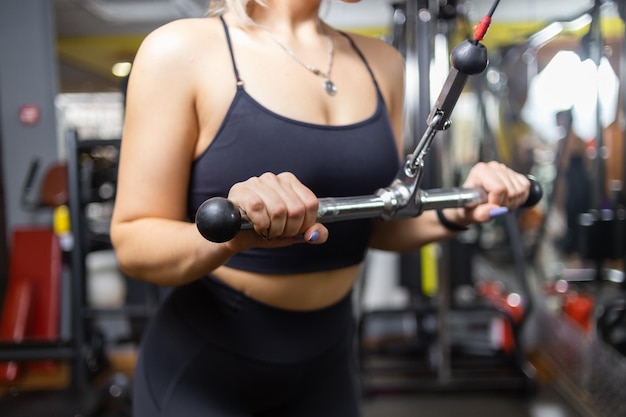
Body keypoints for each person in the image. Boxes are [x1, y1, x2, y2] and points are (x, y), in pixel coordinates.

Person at [109, 1, 532, 416]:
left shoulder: (382, 62)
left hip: (329, 364)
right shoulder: (180, 50)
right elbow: (133, 241)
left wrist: (463, 207)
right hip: (207, 367)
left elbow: (377, 223)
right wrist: (234, 239)